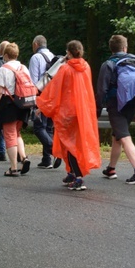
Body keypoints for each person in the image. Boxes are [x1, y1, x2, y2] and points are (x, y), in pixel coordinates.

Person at [36, 41, 101, 190]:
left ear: (69, 53)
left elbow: (54, 89)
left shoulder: (65, 69)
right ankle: (71, 172)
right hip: (82, 111)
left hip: (67, 113)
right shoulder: (86, 67)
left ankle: (78, 177)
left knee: (70, 145)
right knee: (72, 143)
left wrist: (43, 106)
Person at [95, 35, 135, 184]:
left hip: (116, 104)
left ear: (111, 48)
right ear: (125, 48)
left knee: (124, 136)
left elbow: (101, 90)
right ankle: (111, 168)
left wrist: (97, 110)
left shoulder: (108, 64)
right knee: (117, 136)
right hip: (133, 103)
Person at [0, 43, 31, 176]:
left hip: (8, 105)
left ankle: (13, 168)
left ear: (5, 55)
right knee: (16, 133)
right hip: (22, 105)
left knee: (9, 135)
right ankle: (23, 157)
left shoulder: (3, 69)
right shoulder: (23, 67)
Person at [29, 35, 61, 170]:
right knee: (48, 127)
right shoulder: (54, 57)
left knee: (38, 127)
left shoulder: (36, 58)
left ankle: (54, 150)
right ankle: (46, 159)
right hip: (53, 97)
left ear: (36, 44)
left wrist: (32, 100)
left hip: (41, 96)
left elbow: (33, 81)